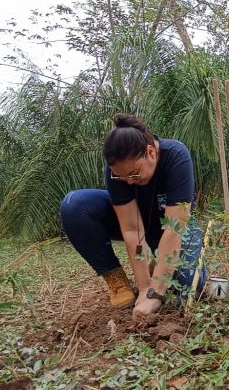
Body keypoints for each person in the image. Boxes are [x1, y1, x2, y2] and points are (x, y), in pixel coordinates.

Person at [60, 114, 204, 317]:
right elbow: (132, 229)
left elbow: (174, 228)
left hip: (172, 223)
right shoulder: (118, 170)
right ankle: (116, 278)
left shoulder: (176, 156)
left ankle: (159, 266)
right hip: (138, 220)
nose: (127, 182)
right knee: (74, 205)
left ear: (151, 152)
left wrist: (156, 293)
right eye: (121, 177)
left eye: (134, 174)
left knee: (190, 285)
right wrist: (145, 287)